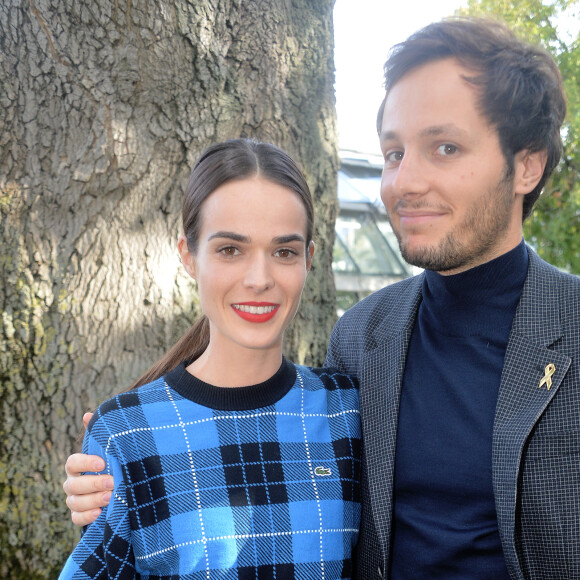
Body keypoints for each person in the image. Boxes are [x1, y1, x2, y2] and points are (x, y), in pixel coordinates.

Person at [63, 17, 580, 579]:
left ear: (525, 164)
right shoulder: (362, 338)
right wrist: (128, 465)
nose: (405, 181)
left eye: (445, 147)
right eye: (394, 153)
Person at [59, 138, 361, 579]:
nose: (259, 279)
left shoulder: (347, 409)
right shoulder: (127, 432)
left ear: (308, 260)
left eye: (284, 252)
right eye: (230, 249)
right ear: (188, 255)